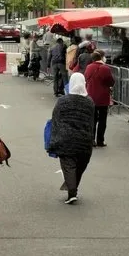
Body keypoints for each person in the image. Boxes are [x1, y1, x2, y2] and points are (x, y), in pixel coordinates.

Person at [49, 73, 95, 204]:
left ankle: (72, 191)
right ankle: (73, 188)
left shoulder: (63, 101)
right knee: (80, 166)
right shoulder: (89, 102)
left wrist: (54, 138)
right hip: (84, 140)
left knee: (69, 165)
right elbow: (92, 121)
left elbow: (55, 118)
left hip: (65, 139)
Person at [84, 50, 114, 147]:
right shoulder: (106, 68)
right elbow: (111, 82)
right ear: (101, 58)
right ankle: (100, 140)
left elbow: (86, 78)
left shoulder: (88, 67)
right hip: (103, 97)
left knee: (92, 119)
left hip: (91, 96)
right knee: (102, 119)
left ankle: (91, 140)